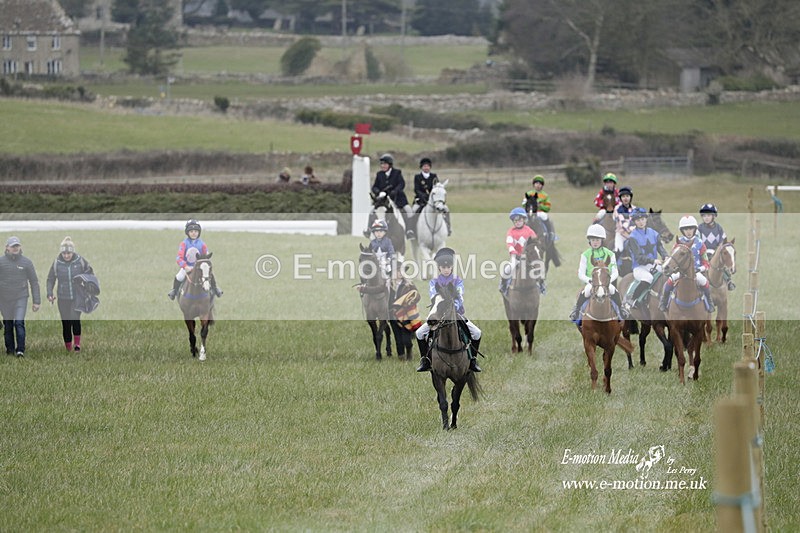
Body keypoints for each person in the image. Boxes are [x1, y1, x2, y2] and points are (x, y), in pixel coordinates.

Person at [416, 247, 482, 373]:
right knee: (419, 333)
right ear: (439, 268)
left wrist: (453, 307)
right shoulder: (434, 282)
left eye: (448, 267)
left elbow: (460, 296)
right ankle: (425, 360)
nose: (446, 270)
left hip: (455, 314)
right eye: (443, 267)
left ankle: (472, 359)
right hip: (439, 314)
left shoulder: (458, 281)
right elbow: (434, 297)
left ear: (452, 267)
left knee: (477, 333)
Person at [46, 237, 94, 352]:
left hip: (77, 297)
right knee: (66, 323)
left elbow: (90, 274)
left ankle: (77, 345)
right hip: (63, 297)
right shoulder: (57, 263)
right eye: (64, 253)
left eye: (69, 253)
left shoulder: (80, 261)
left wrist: (88, 288)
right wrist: (49, 293)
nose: (66, 256)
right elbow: (50, 279)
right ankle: (68, 347)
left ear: (73, 252)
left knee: (75, 319)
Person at [569, 225, 625, 322]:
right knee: (585, 292)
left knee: (613, 291)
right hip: (592, 283)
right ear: (589, 241)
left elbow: (615, 272)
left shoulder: (610, 254)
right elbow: (580, 273)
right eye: (593, 240)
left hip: (606, 283)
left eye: (597, 240)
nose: (595, 242)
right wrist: (589, 280)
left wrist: (607, 281)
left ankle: (621, 311)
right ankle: (576, 311)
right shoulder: (585, 255)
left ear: (602, 240)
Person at [659, 215, 715, 313]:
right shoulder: (678, 243)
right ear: (682, 230)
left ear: (694, 229)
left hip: (695, 272)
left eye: (691, 228)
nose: (688, 231)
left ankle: (709, 303)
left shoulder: (700, 243)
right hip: (680, 271)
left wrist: (700, 269)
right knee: (669, 281)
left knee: (704, 282)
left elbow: (706, 263)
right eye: (686, 229)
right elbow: (673, 259)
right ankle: (664, 302)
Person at [0, 236, 41, 357]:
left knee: (18, 322)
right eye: (13, 246)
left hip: (21, 297)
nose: (15, 248)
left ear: (20, 247)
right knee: (8, 325)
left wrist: (36, 301)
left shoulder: (26, 262)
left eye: (17, 246)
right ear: (7, 247)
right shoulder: (1, 262)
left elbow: (34, 281)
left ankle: (20, 350)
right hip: (4, 298)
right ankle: (10, 350)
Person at [621, 208, 667, 314]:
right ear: (635, 222)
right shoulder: (632, 237)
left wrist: (666, 257)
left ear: (646, 219)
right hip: (639, 267)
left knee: (668, 275)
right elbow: (638, 257)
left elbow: (661, 249)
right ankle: (632, 299)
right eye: (638, 220)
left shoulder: (654, 233)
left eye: (642, 219)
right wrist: (653, 260)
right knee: (648, 278)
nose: (641, 222)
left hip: (653, 265)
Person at [167, 219, 223, 300]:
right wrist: (185, 266)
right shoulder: (184, 244)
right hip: (187, 267)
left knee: (210, 275)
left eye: (196, 231)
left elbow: (206, 256)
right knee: (179, 277)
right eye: (191, 231)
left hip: (199, 267)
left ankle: (215, 289)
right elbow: (179, 258)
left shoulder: (202, 244)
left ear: (199, 232)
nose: (194, 233)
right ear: (187, 232)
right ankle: (174, 291)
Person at [499, 207, 543, 296]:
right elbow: (509, 244)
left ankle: (541, 285)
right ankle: (503, 285)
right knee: (507, 269)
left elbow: (534, 242)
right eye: (515, 221)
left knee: (538, 268)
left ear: (524, 220)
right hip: (516, 257)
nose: (517, 222)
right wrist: (513, 253)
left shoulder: (529, 231)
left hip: (528, 257)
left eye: (519, 220)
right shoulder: (511, 232)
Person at [370, 153, 414, 238]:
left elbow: (402, 184)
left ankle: (409, 230)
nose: (383, 166)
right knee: (371, 211)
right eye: (382, 164)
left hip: (397, 198)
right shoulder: (379, 174)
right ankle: (368, 230)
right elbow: (374, 187)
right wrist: (378, 192)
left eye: (385, 164)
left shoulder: (397, 173)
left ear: (390, 165)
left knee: (409, 211)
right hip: (383, 200)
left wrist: (395, 191)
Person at [698, 203, 735, 290]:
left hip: (716, 252)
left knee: (721, 265)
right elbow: (698, 242)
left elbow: (723, 242)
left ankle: (728, 281)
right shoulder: (699, 228)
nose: (706, 217)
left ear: (714, 216)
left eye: (709, 215)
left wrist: (718, 251)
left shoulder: (718, 228)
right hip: (703, 253)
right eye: (704, 215)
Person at [411, 157, 451, 236]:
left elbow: (438, 188)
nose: (426, 168)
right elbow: (416, 189)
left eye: (428, 166)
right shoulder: (417, 177)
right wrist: (423, 196)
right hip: (421, 200)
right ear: (421, 167)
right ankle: (412, 230)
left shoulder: (434, 176)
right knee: (413, 211)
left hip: (434, 200)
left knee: (446, 209)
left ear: (430, 167)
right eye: (424, 166)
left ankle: (448, 227)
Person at [522, 174, 556, 241]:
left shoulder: (545, 195)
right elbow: (523, 204)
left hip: (540, 212)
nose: (538, 185)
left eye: (540, 184)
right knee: (523, 219)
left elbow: (548, 207)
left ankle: (550, 232)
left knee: (545, 216)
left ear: (542, 185)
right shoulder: (529, 194)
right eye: (536, 183)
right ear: (533, 184)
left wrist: (540, 206)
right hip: (530, 211)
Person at [613, 186, 637, 254]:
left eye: (627, 196)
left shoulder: (634, 209)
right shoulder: (617, 209)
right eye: (623, 196)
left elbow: (636, 221)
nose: (625, 198)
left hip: (633, 234)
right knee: (619, 249)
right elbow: (622, 223)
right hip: (621, 234)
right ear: (620, 198)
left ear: (630, 197)